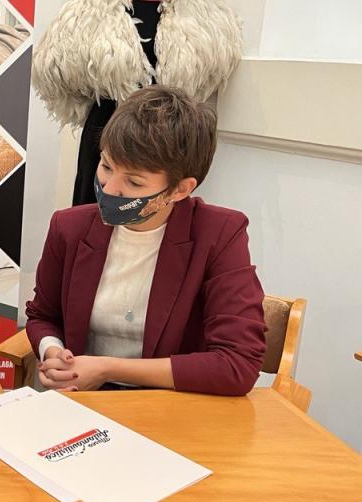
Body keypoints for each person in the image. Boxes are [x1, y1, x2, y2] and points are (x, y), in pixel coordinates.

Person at [25, 85, 266, 395]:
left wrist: (106, 368)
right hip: (82, 400)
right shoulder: (69, 227)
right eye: (106, 166)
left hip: (170, 407)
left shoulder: (219, 234)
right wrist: (52, 351)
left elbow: (238, 364)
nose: (110, 189)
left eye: (134, 181)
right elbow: (43, 316)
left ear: (180, 189)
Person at [31, 0, 241, 206]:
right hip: (106, 127)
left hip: (168, 134)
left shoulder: (206, 16)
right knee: (94, 210)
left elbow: (209, 78)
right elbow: (52, 72)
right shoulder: (88, 9)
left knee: (158, 212)